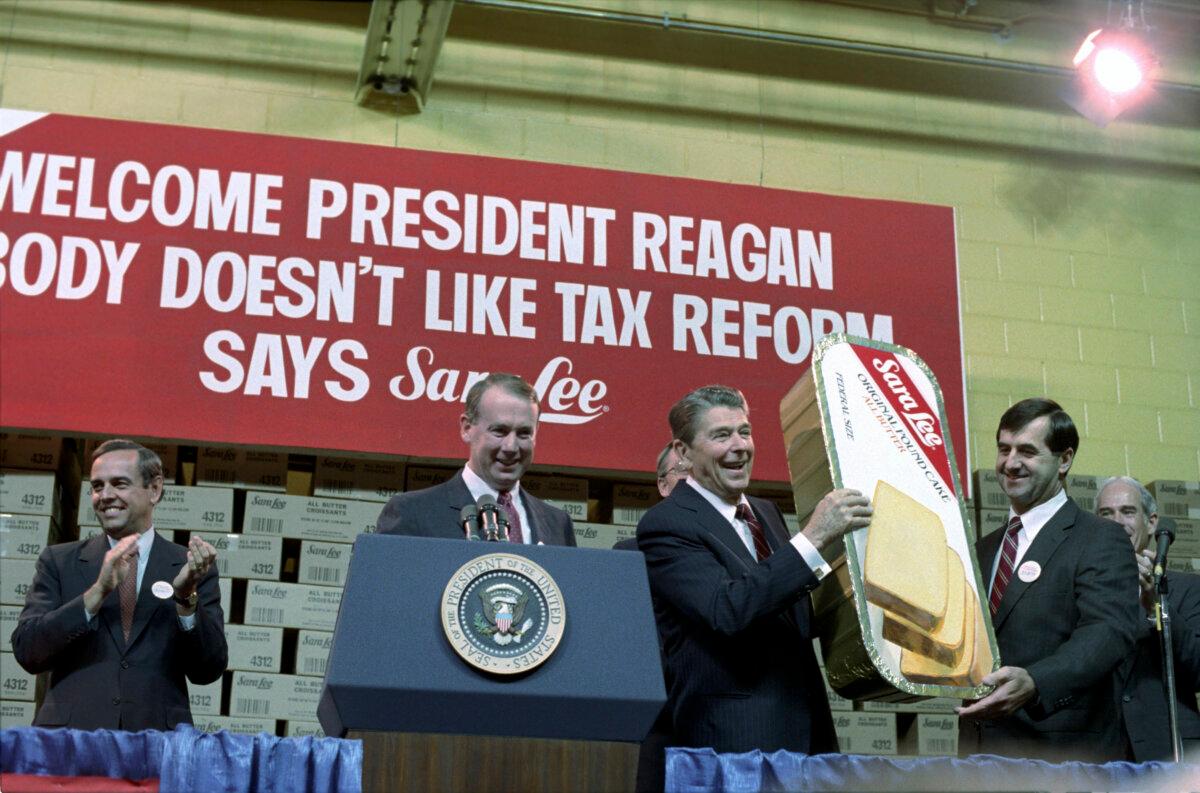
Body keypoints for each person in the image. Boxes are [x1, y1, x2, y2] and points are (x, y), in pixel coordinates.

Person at [637, 385, 872, 754]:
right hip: (734, 743)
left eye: (744, 431)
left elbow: (793, 615)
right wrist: (813, 538)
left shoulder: (765, 513)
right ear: (683, 452)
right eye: (721, 435)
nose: (740, 445)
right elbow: (727, 609)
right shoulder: (665, 525)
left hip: (807, 730)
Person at [957, 399, 1140, 762]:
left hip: (1062, 758)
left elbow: (1108, 632)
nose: (1011, 463)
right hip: (980, 757)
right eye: (1004, 449)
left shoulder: (1099, 538)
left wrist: (1036, 681)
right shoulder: (982, 549)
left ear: (1065, 460)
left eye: (1027, 451)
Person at [11, 439, 227, 730]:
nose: (106, 495)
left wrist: (186, 598)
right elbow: (28, 652)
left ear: (155, 489)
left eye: (120, 484)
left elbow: (208, 669)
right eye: (98, 486)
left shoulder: (191, 567)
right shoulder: (59, 561)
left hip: (155, 744)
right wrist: (96, 593)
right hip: (68, 744)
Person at [376, 372, 576, 545]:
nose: (511, 447)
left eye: (524, 433)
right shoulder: (413, 512)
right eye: (499, 431)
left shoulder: (558, 524)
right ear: (466, 428)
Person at [1096, 476, 1200, 761]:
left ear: (1152, 522)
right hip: (1104, 756)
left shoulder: (1187, 589)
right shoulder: (1083, 591)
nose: (1117, 522)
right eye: (1106, 514)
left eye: (1128, 512)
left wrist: (1158, 604)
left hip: (1169, 751)